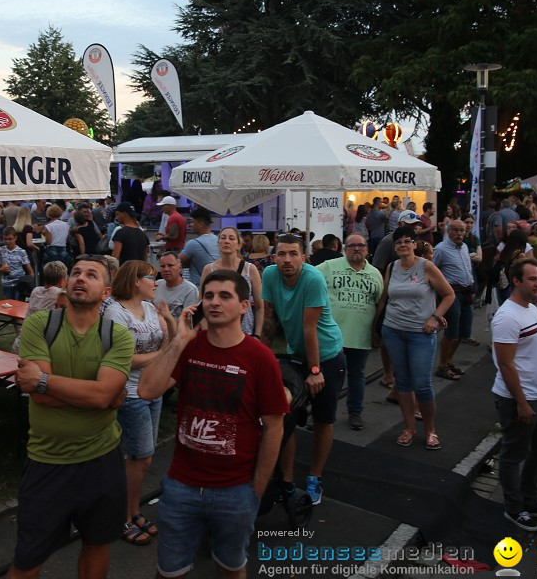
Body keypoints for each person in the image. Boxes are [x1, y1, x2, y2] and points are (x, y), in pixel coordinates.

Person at [138, 269, 287, 578]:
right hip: (181, 485)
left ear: (244, 306)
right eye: (208, 296)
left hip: (236, 489)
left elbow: (274, 427)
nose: (214, 303)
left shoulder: (260, 357)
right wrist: (179, 340)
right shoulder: (190, 346)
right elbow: (147, 390)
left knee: (231, 567)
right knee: (169, 571)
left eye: (225, 296)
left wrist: (255, 491)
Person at [7, 255, 134, 579]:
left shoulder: (118, 336)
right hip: (47, 461)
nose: (80, 277)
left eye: (91, 274)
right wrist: (96, 396)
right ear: (65, 282)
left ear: (106, 292)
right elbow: (39, 396)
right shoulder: (40, 324)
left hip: (102, 460)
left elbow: (98, 394)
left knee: (97, 544)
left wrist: (47, 381)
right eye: (76, 272)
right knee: (27, 560)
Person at [260, 234, 345, 505]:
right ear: (274, 257)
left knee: (322, 418)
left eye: (293, 254)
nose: (287, 259)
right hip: (296, 352)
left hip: (327, 354)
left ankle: (315, 476)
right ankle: (286, 478)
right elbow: (270, 319)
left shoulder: (313, 279)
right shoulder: (270, 275)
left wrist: (316, 369)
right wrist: (261, 353)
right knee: (287, 416)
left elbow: (310, 329)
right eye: (282, 254)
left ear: (304, 258)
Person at [102, 261, 173, 546]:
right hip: (130, 392)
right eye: (151, 278)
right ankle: (122, 515)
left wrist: (168, 320)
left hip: (153, 388)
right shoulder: (115, 312)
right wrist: (163, 353)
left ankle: (131, 510)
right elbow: (124, 359)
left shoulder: (151, 307)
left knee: (142, 457)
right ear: (134, 281)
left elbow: (171, 338)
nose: (156, 283)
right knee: (141, 457)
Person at [491, 257, 537, 532]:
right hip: (518, 398)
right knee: (512, 454)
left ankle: (529, 499)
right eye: (532, 279)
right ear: (516, 281)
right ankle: (514, 508)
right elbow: (505, 363)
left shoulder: (531, 309)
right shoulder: (507, 317)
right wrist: (521, 401)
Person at [379, 225, 455, 449]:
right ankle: (409, 428)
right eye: (398, 242)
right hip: (393, 331)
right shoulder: (392, 267)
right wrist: (375, 325)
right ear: (394, 247)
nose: (403, 245)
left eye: (406, 241)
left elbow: (449, 295)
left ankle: (430, 430)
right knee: (402, 382)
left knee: (422, 384)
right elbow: (383, 299)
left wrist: (435, 317)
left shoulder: (426, 267)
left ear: (414, 244)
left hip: (420, 333)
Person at [317, 233, 383, 431]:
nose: (356, 249)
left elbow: (380, 304)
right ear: (344, 249)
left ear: (367, 249)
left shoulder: (375, 274)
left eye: (360, 245)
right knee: (327, 378)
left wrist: (376, 332)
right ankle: (320, 414)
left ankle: (355, 412)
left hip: (360, 336)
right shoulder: (329, 267)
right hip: (331, 337)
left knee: (357, 376)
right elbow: (307, 278)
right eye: (352, 245)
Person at [432, 220, 477, 380]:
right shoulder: (440, 249)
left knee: (463, 331)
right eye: (455, 230)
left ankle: (449, 362)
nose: (459, 234)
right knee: (452, 331)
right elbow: (432, 271)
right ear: (449, 231)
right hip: (452, 294)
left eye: (462, 231)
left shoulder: (464, 247)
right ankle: (442, 365)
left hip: (466, 292)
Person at [200, 227, 264, 337]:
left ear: (239, 245)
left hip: (244, 331)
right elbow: (201, 304)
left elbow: (260, 306)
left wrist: (257, 335)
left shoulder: (250, 269)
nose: (226, 241)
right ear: (218, 243)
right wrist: (205, 332)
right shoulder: (209, 269)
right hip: (215, 331)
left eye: (231, 238)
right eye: (223, 238)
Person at [154, 252, 198, 320]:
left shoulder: (190, 290)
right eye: (162, 266)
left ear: (180, 268)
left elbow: (189, 321)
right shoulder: (156, 285)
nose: (166, 269)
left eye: (170, 265)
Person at [179, 208, 219, 283]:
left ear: (201, 224)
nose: (190, 225)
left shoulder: (193, 243)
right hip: (215, 284)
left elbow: (176, 262)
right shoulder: (218, 240)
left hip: (198, 287)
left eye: (192, 222)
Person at [0, 228, 33, 300]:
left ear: (15, 238)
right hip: (7, 283)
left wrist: (29, 282)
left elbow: (30, 270)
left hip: (19, 283)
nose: (7, 241)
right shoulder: (0, 250)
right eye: (5, 239)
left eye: (10, 239)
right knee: (9, 304)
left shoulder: (21, 252)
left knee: (18, 302)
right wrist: (2, 269)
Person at [41, 204, 72, 268]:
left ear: (49, 214)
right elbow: (68, 239)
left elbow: (48, 241)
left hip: (52, 250)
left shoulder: (48, 226)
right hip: (63, 249)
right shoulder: (66, 224)